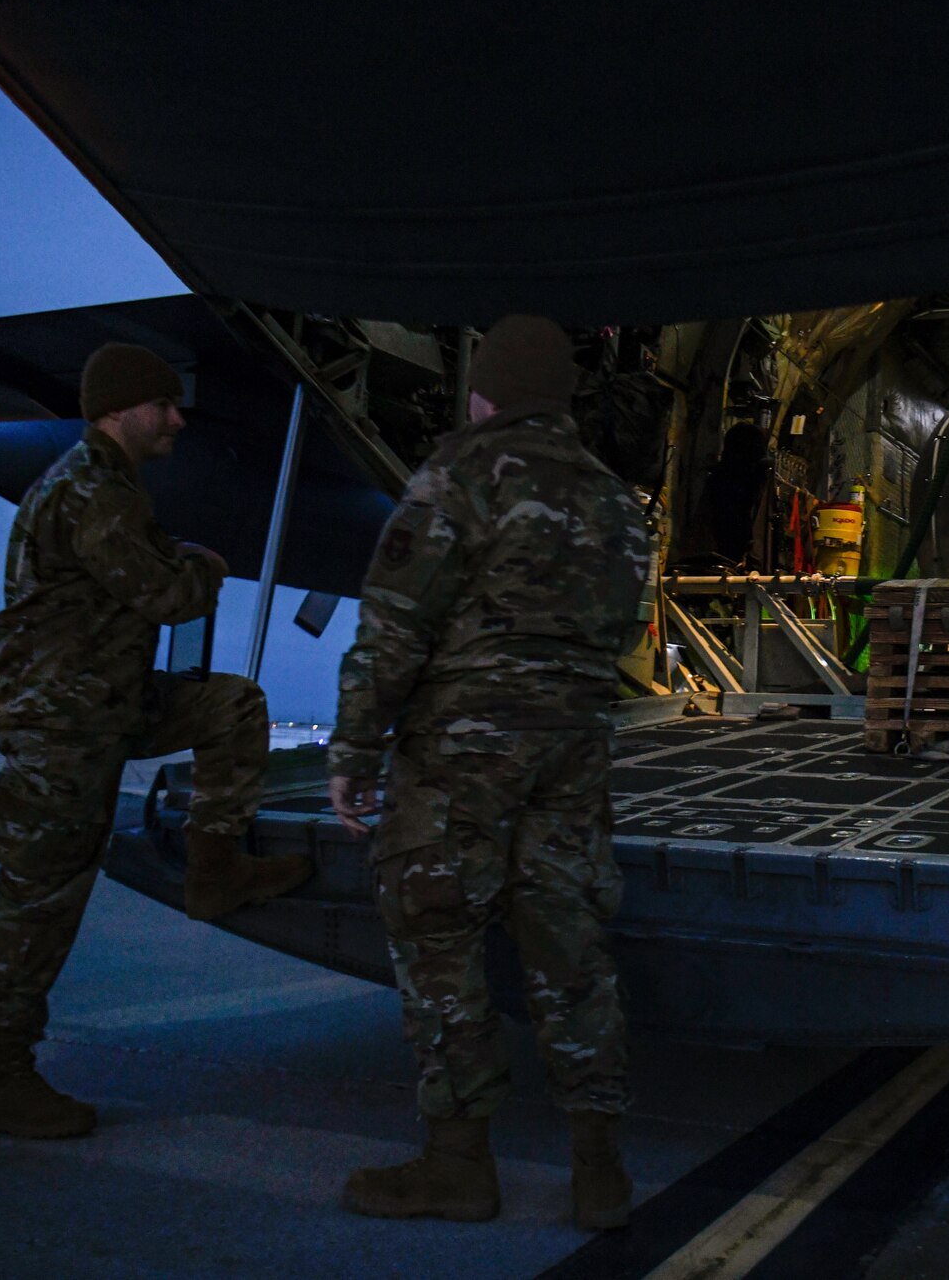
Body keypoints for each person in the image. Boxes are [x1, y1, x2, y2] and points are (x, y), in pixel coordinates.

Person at [328, 315, 651, 1228]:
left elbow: (394, 625)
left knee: (438, 941)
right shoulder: (618, 503)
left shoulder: (460, 473)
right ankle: (599, 1171)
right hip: (574, 748)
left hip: (462, 753)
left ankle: (458, 1163)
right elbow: (621, 633)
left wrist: (354, 749)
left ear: (486, 391)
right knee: (572, 949)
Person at [0, 343, 313, 1140]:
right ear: (119, 410)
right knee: (40, 898)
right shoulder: (93, 489)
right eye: (163, 405)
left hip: (106, 701)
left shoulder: (107, 487)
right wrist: (208, 568)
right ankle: (0, 1076)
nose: (178, 419)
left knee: (233, 705)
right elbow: (163, 593)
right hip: (62, 723)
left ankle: (213, 871)